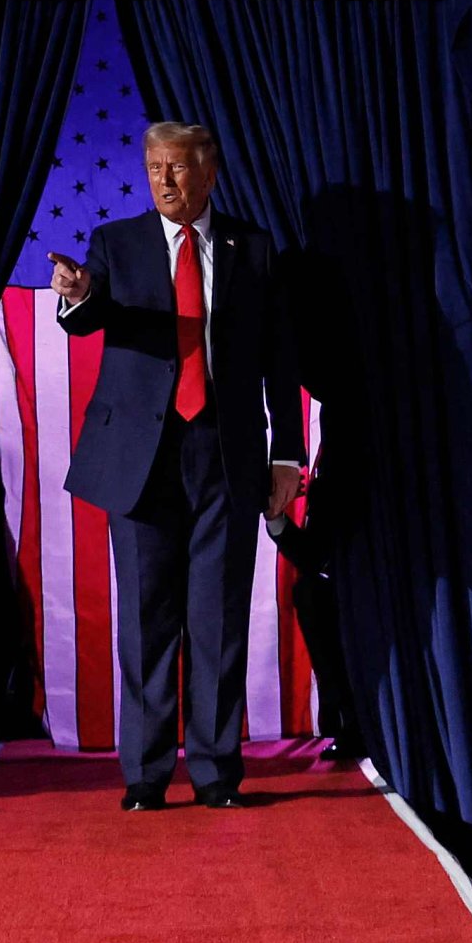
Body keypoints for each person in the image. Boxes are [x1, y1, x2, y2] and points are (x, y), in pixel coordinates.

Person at [49, 122, 301, 809]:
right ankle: (146, 775)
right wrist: (73, 294)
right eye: (154, 167)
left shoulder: (251, 247)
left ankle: (217, 771)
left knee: (217, 618)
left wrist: (287, 456)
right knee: (147, 616)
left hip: (226, 451)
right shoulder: (116, 243)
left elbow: (278, 357)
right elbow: (89, 315)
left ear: (209, 172)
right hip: (141, 458)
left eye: (177, 168)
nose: (163, 180)